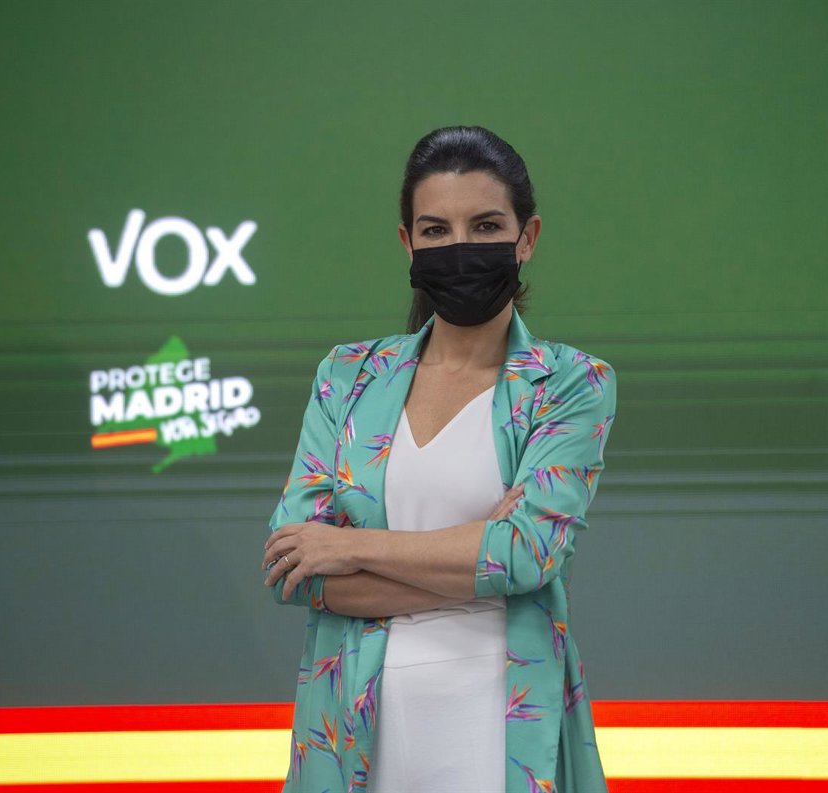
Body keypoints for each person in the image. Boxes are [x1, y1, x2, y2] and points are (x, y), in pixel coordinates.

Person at [263, 125, 616, 792]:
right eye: (435, 230)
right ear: (408, 242)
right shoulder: (347, 376)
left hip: (500, 731)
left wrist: (349, 547)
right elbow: (296, 568)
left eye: (486, 226)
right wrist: (481, 557)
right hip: (352, 735)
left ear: (527, 237)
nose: (461, 248)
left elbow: (528, 555)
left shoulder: (570, 382)